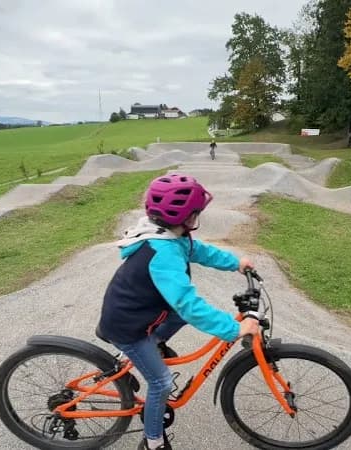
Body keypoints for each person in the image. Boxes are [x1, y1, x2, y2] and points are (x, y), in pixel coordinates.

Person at [97, 174, 259, 450]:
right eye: (196, 214)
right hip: (128, 327)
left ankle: (152, 346)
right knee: (160, 383)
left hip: (141, 313)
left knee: (177, 313)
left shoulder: (169, 235)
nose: (197, 219)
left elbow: (200, 251)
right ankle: (153, 441)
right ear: (183, 217)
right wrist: (233, 329)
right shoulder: (163, 254)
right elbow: (188, 304)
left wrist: (236, 263)